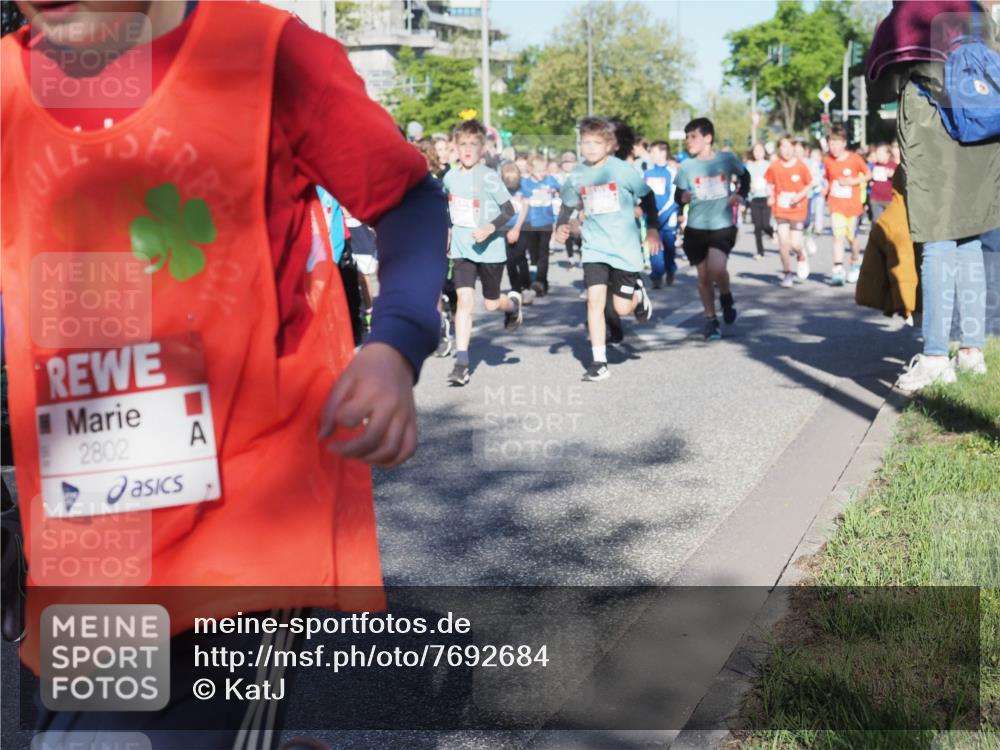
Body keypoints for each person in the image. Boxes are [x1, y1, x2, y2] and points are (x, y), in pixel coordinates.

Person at [1, 2, 448, 748]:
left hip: (239, 527)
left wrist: (394, 345)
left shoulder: (272, 56)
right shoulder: (9, 85)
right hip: (87, 529)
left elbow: (405, 197)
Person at [866, 0, 998, 391]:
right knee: (970, 238)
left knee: (937, 241)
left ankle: (937, 356)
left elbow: (882, 85)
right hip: (982, 129)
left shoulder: (910, 10)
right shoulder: (975, 9)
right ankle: (972, 352)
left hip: (934, 129)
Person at [554, 117, 661, 381]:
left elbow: (647, 196)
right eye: (585, 142)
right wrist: (561, 225)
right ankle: (599, 361)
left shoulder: (622, 170)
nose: (590, 148)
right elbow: (568, 203)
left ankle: (638, 296)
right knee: (594, 301)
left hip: (623, 249)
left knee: (622, 309)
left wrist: (652, 229)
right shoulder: (577, 173)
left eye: (596, 143)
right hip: (594, 248)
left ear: (610, 145)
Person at [442, 119, 522, 386]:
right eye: (462, 144)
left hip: (490, 251)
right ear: (455, 146)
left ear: (482, 148)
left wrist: (489, 227)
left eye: (473, 144)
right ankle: (462, 362)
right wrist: (448, 232)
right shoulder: (450, 177)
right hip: (463, 250)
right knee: (464, 302)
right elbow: (448, 210)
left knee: (490, 304)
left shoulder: (489, 175)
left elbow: (509, 209)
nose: (467, 149)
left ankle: (512, 305)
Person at [673, 117, 750, 341]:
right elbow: (678, 194)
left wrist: (739, 195)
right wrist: (683, 197)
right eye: (687, 137)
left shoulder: (726, 159)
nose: (689, 141)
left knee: (717, 268)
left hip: (721, 225)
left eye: (693, 136)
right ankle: (710, 319)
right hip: (696, 227)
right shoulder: (687, 166)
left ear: (708, 138)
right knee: (704, 278)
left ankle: (725, 295)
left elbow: (745, 176)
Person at [765, 135, 814, 288]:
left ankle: (801, 255)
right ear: (779, 148)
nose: (786, 150)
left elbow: (809, 183)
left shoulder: (800, 166)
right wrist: (770, 196)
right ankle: (787, 273)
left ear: (794, 148)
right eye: (783, 147)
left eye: (789, 147)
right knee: (783, 243)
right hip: (780, 210)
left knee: (795, 244)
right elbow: (769, 183)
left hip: (797, 210)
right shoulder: (774, 166)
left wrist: (799, 195)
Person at [823, 127, 870, 285]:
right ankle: (837, 270)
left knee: (852, 238)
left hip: (853, 207)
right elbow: (828, 179)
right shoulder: (828, 160)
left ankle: (855, 261)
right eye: (831, 144)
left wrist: (853, 182)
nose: (833, 147)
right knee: (837, 237)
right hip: (836, 205)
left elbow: (868, 175)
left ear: (844, 143)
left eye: (836, 144)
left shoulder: (855, 158)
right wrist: (825, 188)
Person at [517, 153, 561, 297]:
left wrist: (555, 191)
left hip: (546, 222)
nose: (541, 174)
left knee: (544, 253)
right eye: (538, 170)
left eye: (543, 170)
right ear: (530, 169)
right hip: (530, 223)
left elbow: (560, 188)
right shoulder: (525, 182)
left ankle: (541, 282)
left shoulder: (550, 180)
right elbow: (518, 197)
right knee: (533, 254)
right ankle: (531, 279)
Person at [644, 141, 679, 288]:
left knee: (669, 249)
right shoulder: (647, 173)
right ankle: (656, 276)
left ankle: (670, 270)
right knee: (654, 248)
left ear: (663, 153)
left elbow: (675, 198)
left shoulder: (672, 172)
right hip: (652, 219)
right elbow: (643, 195)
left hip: (668, 219)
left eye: (654, 152)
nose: (651, 155)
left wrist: (663, 215)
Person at [500, 162, 533, 304]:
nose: (511, 186)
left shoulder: (524, 186)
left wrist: (516, 229)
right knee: (509, 259)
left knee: (520, 256)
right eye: (509, 183)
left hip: (522, 225)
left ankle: (526, 286)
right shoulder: (500, 189)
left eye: (514, 183)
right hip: (505, 227)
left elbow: (525, 208)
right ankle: (515, 288)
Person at [746, 142, 774, 260]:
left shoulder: (769, 165)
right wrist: (749, 187)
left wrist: (772, 193)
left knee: (765, 225)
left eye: (760, 151)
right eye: (755, 151)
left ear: (764, 152)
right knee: (757, 226)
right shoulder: (749, 166)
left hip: (766, 197)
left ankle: (773, 233)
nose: (758, 153)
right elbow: (745, 182)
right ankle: (760, 252)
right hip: (754, 198)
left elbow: (773, 180)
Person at [868, 142, 897, 224]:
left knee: (889, 223)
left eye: (880, 153)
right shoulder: (875, 165)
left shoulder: (894, 166)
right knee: (877, 222)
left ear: (888, 155)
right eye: (877, 153)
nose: (878, 156)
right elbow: (869, 177)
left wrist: (893, 174)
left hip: (889, 200)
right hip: (876, 199)